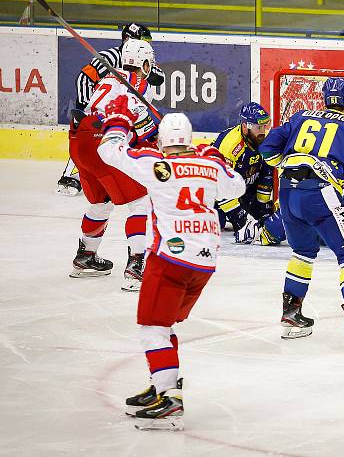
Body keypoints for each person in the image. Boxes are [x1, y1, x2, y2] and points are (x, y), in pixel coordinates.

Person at [98, 108, 245, 431]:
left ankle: (169, 395)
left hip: (169, 260)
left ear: (162, 140)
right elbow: (237, 187)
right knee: (164, 326)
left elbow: (108, 151)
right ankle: (160, 384)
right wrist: (216, 160)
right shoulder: (209, 164)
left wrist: (119, 121)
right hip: (204, 264)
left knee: (152, 327)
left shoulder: (155, 164)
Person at [259, 77, 344, 349]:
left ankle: (291, 316)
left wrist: (292, 165)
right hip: (321, 192)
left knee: (302, 252)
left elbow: (267, 149)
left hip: (288, 194)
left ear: (325, 98)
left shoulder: (300, 116)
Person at [67, 38, 158, 291]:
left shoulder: (108, 79)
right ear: (146, 63)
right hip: (102, 143)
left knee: (101, 201)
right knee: (139, 200)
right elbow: (140, 131)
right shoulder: (139, 85)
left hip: (79, 142)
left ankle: (85, 257)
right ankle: (136, 268)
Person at [57, 22, 166, 196]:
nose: (148, 44)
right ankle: (72, 175)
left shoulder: (139, 61)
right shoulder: (109, 57)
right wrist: (87, 105)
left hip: (105, 107)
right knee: (116, 133)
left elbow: (157, 77)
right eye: (144, 40)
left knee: (94, 134)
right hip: (101, 108)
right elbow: (85, 77)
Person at [211, 102, 274, 242]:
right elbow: (219, 185)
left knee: (267, 220)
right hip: (215, 195)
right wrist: (240, 218)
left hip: (243, 189)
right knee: (216, 223)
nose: (263, 132)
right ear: (245, 127)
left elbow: (266, 174)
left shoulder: (264, 140)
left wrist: (263, 208)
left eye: (265, 126)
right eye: (258, 127)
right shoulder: (230, 146)